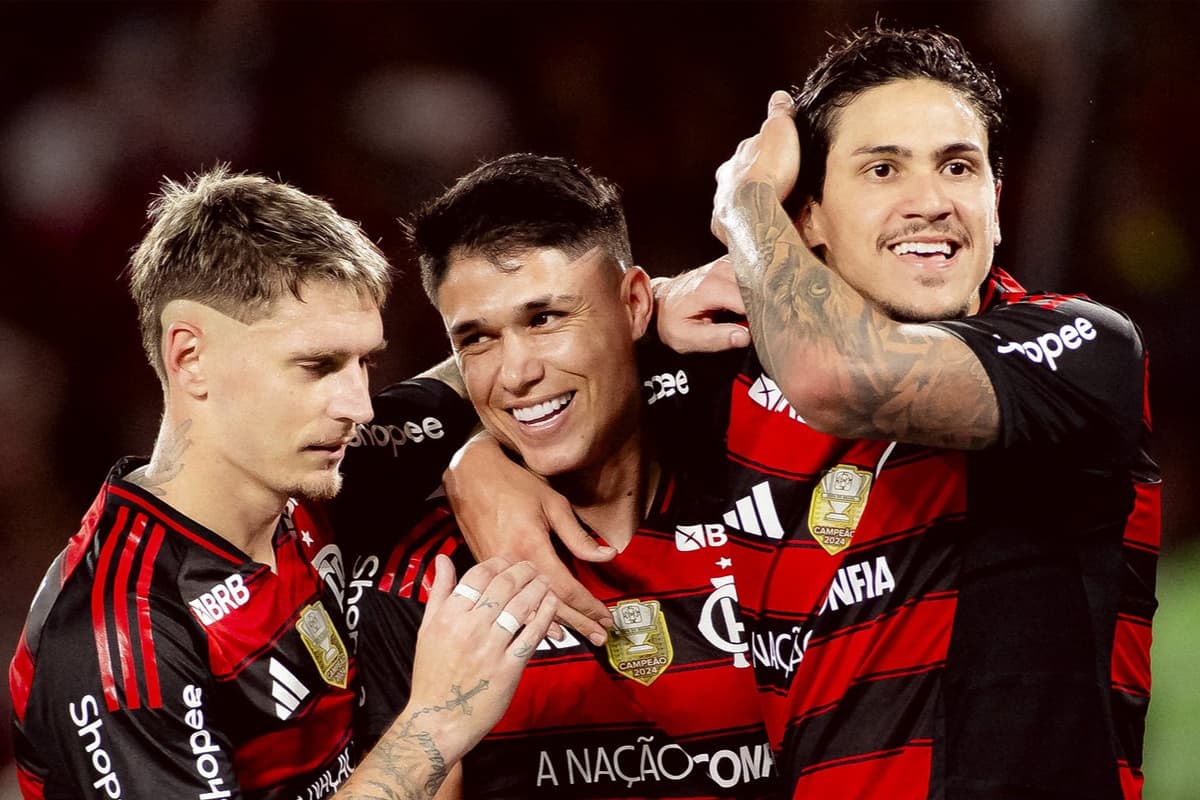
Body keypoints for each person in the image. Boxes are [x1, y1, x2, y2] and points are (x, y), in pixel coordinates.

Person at [455, 24, 1161, 800]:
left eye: (958, 166)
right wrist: (478, 459)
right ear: (811, 219)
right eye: (883, 169)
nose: (930, 202)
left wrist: (747, 202)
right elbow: (411, 412)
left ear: (995, 199)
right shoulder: (734, 379)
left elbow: (840, 375)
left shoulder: (1079, 347)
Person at [8, 166, 558, 800]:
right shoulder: (120, 633)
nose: (360, 405)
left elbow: (472, 383)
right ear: (192, 357)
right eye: (316, 365)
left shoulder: (307, 478)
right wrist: (438, 721)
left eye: (363, 362)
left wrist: (649, 308)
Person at [350, 153, 779, 799]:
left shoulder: (772, 501)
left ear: (636, 304)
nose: (516, 373)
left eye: (545, 318)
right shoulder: (429, 578)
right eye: (476, 339)